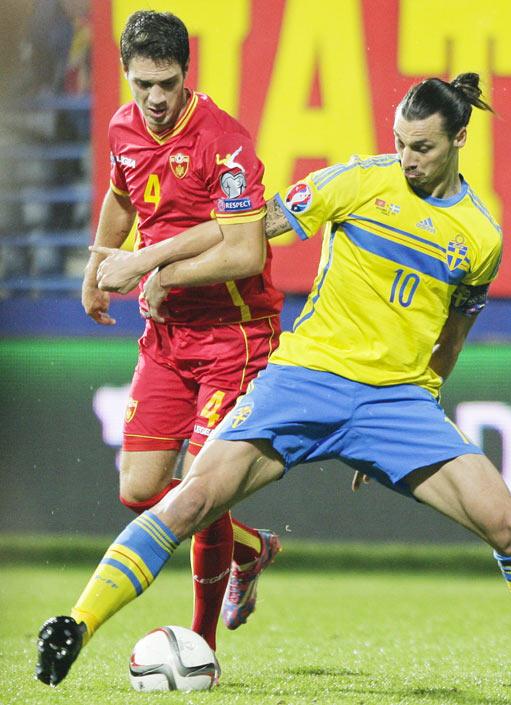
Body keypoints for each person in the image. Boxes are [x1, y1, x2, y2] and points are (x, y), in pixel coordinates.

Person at [36, 74, 511, 697]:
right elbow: (251, 228)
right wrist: (156, 261)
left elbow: (450, 337)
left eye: (421, 147)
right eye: (399, 142)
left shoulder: (481, 238)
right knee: (194, 499)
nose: (406, 158)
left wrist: (422, 403)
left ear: (459, 139)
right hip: (304, 379)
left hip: (397, 402)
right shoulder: (359, 180)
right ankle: (78, 624)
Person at [76, 10, 283, 658]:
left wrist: (152, 264)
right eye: (142, 85)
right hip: (168, 338)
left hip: (233, 335)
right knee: (138, 487)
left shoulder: (224, 140)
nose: (156, 98)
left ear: (185, 73)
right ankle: (250, 548)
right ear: (127, 77)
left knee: (200, 483)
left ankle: (201, 645)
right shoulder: (120, 128)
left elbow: (246, 250)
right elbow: (121, 195)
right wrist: (96, 263)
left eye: (166, 82)